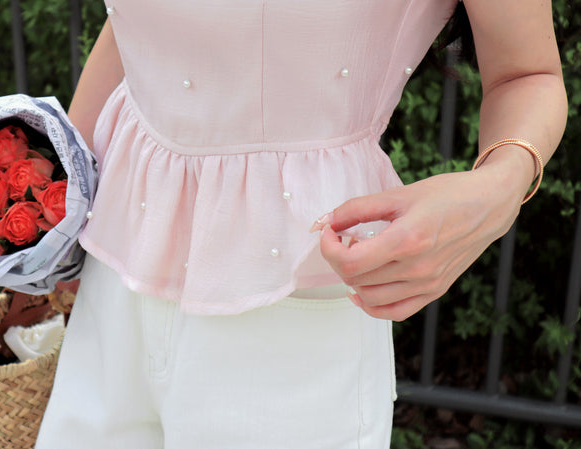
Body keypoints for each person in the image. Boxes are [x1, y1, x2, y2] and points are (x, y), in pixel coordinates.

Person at [36, 1, 567, 447]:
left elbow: (528, 74)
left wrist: (493, 192)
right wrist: (53, 215)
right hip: (114, 272)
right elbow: (138, 31)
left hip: (292, 293)